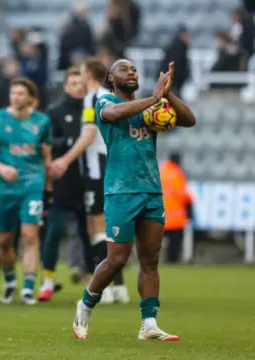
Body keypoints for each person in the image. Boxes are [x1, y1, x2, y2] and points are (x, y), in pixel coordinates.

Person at [71, 60, 196, 341]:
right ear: (110, 78)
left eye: (135, 70)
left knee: (150, 259)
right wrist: (154, 97)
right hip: (120, 191)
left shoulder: (151, 107)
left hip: (151, 190)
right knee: (116, 259)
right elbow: (115, 113)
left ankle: (149, 323)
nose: (132, 72)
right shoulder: (104, 101)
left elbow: (190, 120)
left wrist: (167, 94)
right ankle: (85, 304)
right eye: (124, 69)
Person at [49, 57, 128, 304]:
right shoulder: (110, 96)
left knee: (98, 228)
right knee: (106, 229)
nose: (79, 77)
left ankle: (105, 288)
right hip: (112, 167)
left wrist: (65, 160)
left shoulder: (93, 98)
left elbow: (89, 134)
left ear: (88, 74)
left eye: (81, 72)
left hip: (99, 169)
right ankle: (118, 288)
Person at [0, 77, 52, 305]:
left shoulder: (42, 122)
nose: (16, 97)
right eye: (13, 93)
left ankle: (28, 288)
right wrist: (2, 168)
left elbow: (46, 155)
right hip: (4, 188)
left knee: (30, 236)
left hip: (32, 185)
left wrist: (47, 183)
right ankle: (11, 280)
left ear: (31, 98)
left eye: (21, 94)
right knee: (4, 240)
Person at [39, 67, 94, 302]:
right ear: (65, 86)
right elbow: (48, 141)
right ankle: (48, 280)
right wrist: (72, 142)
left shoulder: (92, 110)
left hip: (89, 179)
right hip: (63, 180)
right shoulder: (55, 111)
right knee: (54, 231)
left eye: (82, 84)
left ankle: (93, 281)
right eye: (74, 84)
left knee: (89, 233)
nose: (78, 88)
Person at [160, 153, 193, 263]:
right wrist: (190, 206)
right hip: (175, 216)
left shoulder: (161, 171)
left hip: (160, 214)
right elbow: (183, 194)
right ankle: (172, 260)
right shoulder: (176, 173)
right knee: (175, 242)